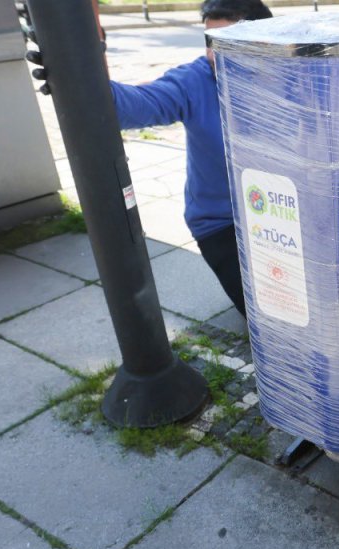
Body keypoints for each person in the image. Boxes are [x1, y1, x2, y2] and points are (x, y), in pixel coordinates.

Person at [105, 0, 274, 317]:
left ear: (266, 41)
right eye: (210, 41)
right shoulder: (195, 80)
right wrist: (78, 69)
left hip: (285, 216)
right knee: (263, 318)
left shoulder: (295, 76)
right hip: (223, 223)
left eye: (227, 43)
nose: (213, 54)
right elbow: (124, 108)